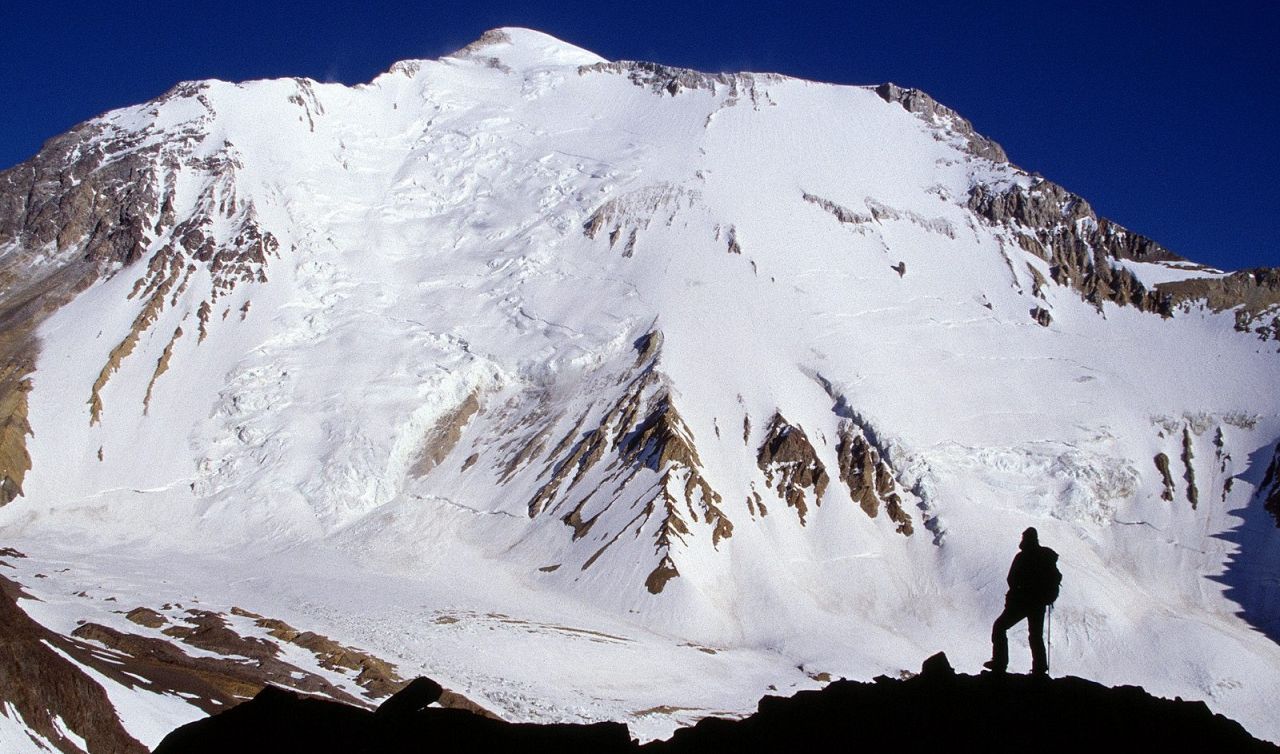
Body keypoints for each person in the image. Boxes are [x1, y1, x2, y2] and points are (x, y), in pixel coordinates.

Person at [984, 527, 1061, 676]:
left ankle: (1000, 663)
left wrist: (1017, 593)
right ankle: (1040, 668)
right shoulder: (1046, 557)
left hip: (1022, 602)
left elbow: (1011, 579)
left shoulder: (1022, 557)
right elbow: (1055, 577)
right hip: (1039, 603)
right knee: (1035, 635)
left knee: (1000, 627)